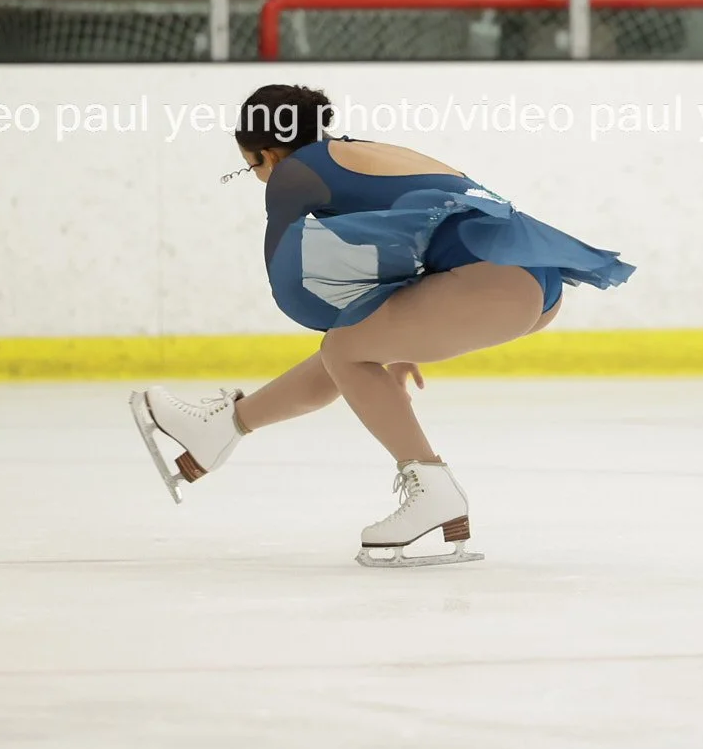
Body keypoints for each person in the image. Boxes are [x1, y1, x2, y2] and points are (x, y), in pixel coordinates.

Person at [129, 83, 634, 567]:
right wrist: (396, 335)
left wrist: (359, 329)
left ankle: (433, 490)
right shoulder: (356, 152)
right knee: (347, 350)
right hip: (528, 279)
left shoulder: (294, 172)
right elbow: (416, 233)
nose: (259, 178)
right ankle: (222, 427)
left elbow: (287, 276)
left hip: (495, 279)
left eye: (251, 167)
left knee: (345, 349)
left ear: (269, 154)